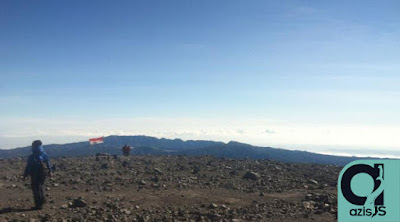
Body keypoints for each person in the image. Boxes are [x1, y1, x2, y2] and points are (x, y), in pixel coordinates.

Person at [23, 140, 52, 210]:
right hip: (43, 173)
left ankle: (39, 205)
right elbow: (48, 163)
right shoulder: (44, 154)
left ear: (34, 146)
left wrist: (25, 175)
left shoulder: (32, 156)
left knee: (36, 188)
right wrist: (50, 171)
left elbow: (28, 166)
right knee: (41, 186)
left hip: (35, 174)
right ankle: (42, 200)